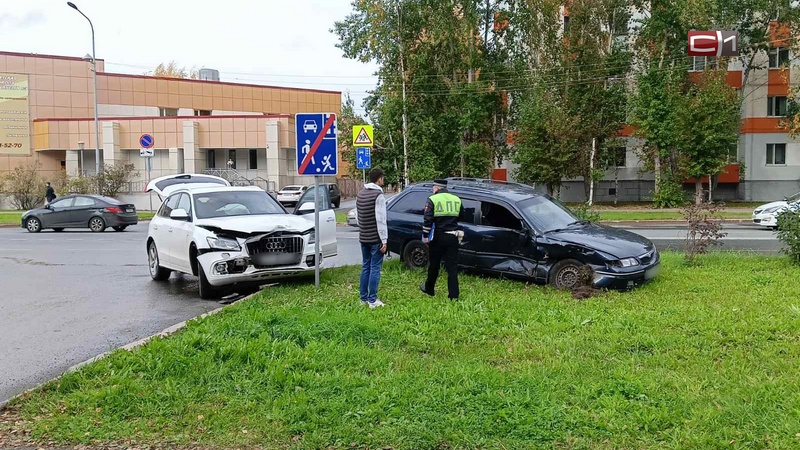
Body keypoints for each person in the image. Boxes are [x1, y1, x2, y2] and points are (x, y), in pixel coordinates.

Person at [420, 179, 464, 300]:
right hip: (453, 236)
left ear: (436, 188)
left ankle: (429, 289)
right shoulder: (456, 199)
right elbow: (462, 216)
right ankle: (453, 295)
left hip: (438, 237)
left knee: (434, 264)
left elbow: (427, 219)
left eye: (433, 188)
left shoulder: (433, 199)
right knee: (452, 267)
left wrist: (425, 236)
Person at [357, 168, 388, 309]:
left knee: (366, 266)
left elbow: (359, 218)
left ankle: (363, 298)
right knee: (375, 268)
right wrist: (384, 240)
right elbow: (380, 219)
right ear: (379, 179)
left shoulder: (360, 194)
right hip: (376, 238)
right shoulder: (378, 195)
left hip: (363, 237)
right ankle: (373, 299)